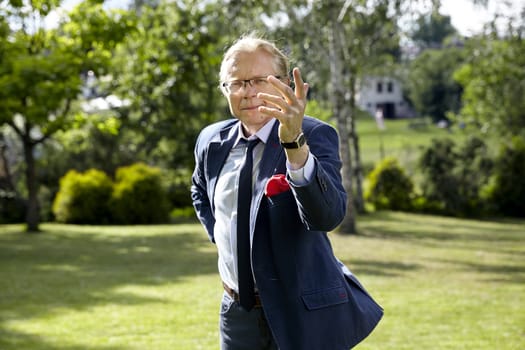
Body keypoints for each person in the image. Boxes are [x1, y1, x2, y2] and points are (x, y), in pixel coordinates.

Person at [191, 34, 383, 350]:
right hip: (236, 312)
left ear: (284, 84)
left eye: (258, 80)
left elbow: (327, 216)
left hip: (301, 313)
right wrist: (223, 235)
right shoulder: (211, 140)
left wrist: (294, 146)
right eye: (236, 83)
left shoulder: (315, 135)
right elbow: (199, 189)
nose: (248, 91)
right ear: (225, 90)